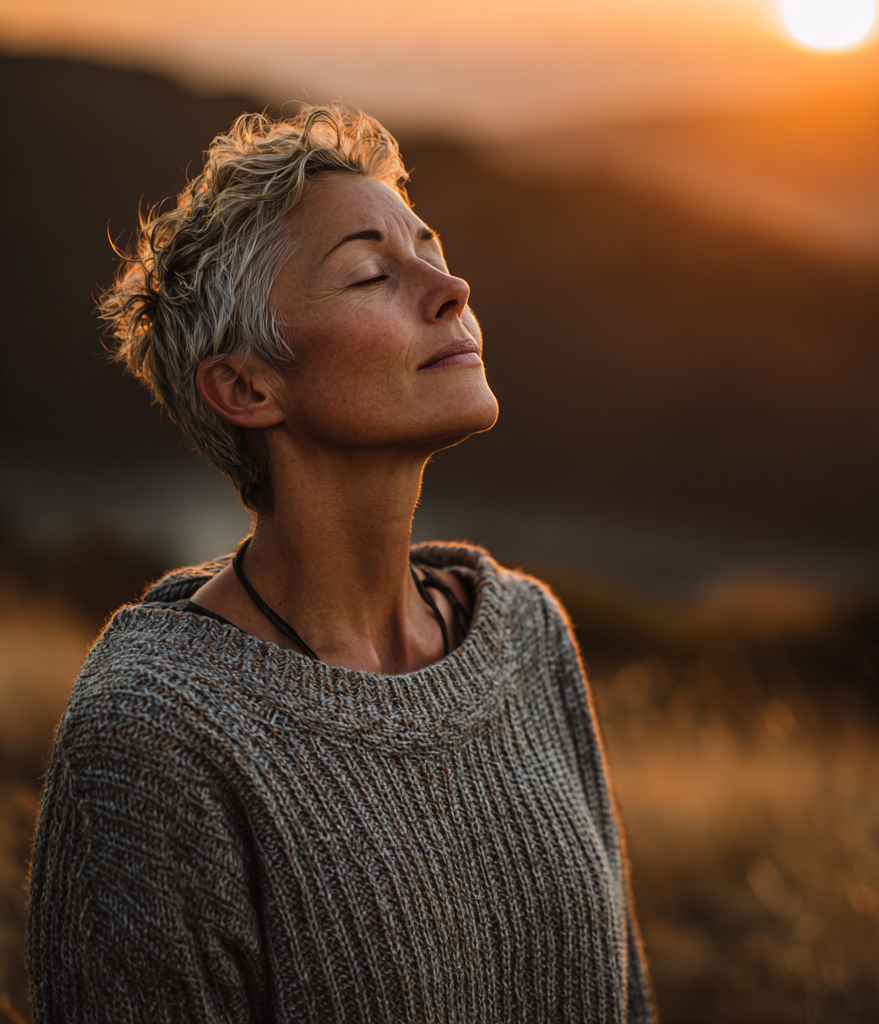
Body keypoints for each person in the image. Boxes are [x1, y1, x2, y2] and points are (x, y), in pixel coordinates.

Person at [27, 102, 654, 1023]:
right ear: (245, 386)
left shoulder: (526, 631)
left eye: (429, 249)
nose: (452, 287)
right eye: (370, 274)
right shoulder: (155, 732)